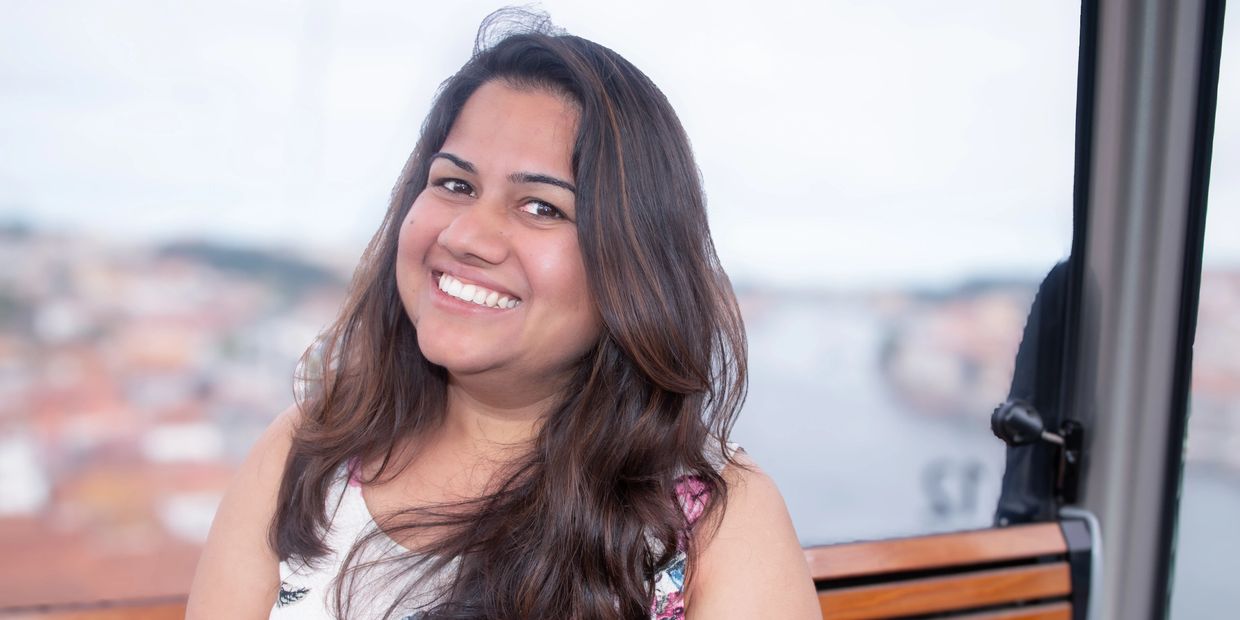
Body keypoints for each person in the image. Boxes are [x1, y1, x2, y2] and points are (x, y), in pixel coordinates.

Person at [187, 10, 818, 619]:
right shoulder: (309, 450)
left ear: (636, 264)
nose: (466, 235)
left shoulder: (717, 523)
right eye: (455, 184)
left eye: (542, 207)